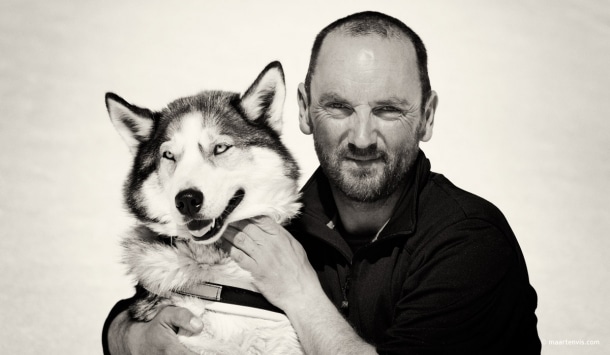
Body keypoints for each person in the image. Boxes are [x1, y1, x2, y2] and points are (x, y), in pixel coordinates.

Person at [103, 11, 541, 355]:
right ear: (304, 111)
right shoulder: (279, 218)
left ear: (426, 117)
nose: (363, 137)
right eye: (339, 107)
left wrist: (301, 295)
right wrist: (128, 338)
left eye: (388, 109)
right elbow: (160, 298)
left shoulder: (470, 245)